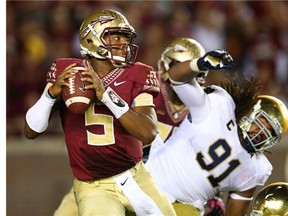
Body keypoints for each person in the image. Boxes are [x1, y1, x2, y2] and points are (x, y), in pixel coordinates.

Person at [24, 9, 176, 216]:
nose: (123, 43)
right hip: (93, 187)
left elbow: (148, 132)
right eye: (116, 36)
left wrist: (107, 96)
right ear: (92, 38)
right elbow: (31, 131)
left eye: (125, 37)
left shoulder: (138, 73)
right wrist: (50, 95)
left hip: (136, 176)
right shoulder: (67, 72)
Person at [53, 37, 225, 216]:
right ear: (167, 70)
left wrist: (213, 193)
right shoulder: (145, 85)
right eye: (185, 72)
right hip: (115, 175)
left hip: (166, 188)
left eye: (195, 74)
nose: (190, 80)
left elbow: (213, 156)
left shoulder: (206, 108)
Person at [145, 47, 288, 215]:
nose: (261, 132)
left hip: (183, 206)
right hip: (150, 176)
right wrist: (199, 64)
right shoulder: (219, 107)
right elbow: (176, 78)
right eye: (261, 122)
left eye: (270, 132)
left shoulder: (256, 168)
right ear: (250, 113)